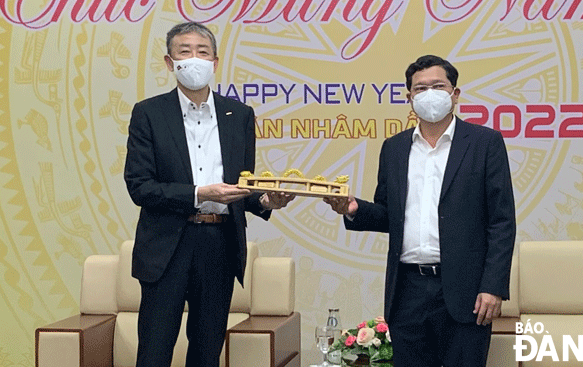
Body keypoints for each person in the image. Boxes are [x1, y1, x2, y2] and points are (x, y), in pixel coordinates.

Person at [324, 55, 516, 366]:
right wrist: (354, 209)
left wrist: (492, 287)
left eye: (438, 86)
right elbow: (390, 215)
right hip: (408, 290)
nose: (429, 94)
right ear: (409, 98)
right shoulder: (395, 147)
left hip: (465, 291)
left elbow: (501, 221)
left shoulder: (484, 143)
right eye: (420, 88)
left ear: (454, 93)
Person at [124, 22, 293, 367]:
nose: (194, 58)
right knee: (154, 351)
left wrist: (263, 200)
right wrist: (200, 193)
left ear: (215, 62)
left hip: (219, 243)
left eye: (202, 51)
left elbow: (241, 186)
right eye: (184, 51)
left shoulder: (239, 115)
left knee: (207, 352)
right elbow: (140, 186)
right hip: (167, 245)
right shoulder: (149, 113)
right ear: (170, 63)